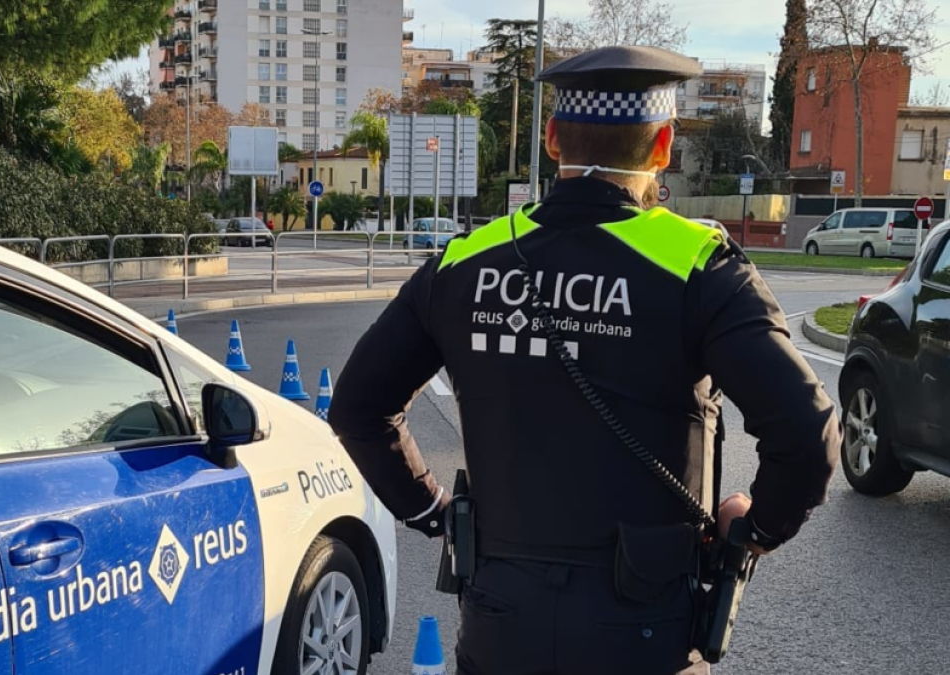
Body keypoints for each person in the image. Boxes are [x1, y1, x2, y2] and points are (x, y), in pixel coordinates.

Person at [327, 45, 840, 675]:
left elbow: (357, 408)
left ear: (550, 139)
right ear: (662, 146)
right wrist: (753, 530)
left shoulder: (465, 262)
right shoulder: (696, 267)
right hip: (644, 633)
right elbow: (809, 434)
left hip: (499, 627)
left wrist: (433, 512)